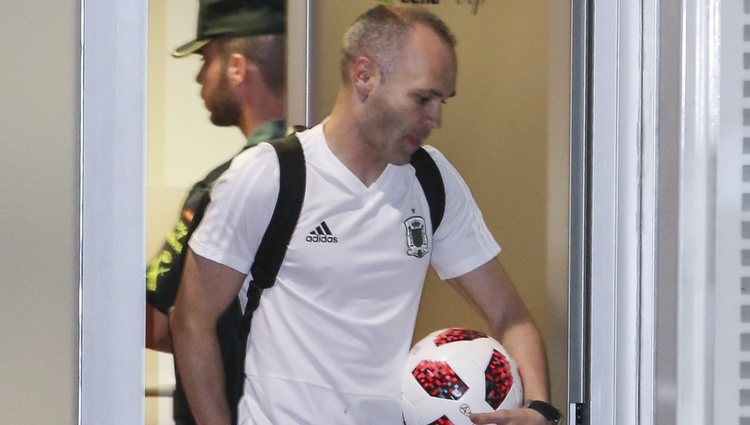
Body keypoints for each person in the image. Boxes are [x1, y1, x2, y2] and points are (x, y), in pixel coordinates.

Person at [171, 4, 558, 425]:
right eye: (423, 97)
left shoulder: (431, 179)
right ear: (364, 75)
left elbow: (510, 316)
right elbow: (192, 321)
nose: (436, 118)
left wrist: (539, 409)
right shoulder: (269, 176)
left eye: (442, 101)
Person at [144, 0, 286, 423]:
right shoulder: (340, 170)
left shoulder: (225, 186)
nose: (198, 76)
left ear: (237, 67)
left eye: (205, 59)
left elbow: (160, 322)